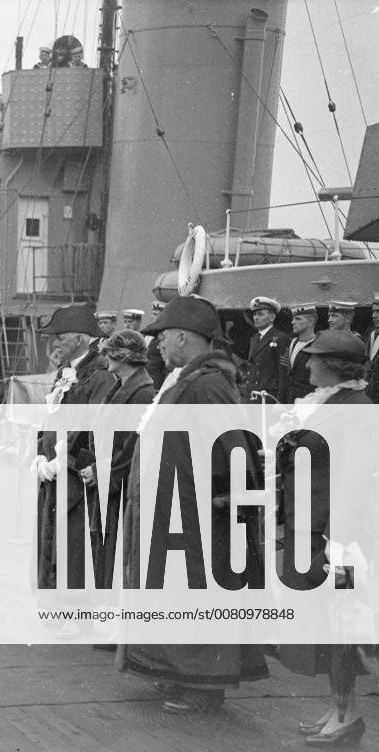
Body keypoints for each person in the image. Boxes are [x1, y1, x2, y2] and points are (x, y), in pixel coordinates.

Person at [118, 295, 268, 714]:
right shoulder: (189, 380)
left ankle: (204, 686)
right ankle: (180, 672)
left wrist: (229, 496)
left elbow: (233, 445)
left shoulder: (209, 383)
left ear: (183, 337)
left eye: (163, 337)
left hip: (197, 514)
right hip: (175, 508)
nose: (159, 345)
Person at [275, 330, 372, 747]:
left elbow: (355, 479)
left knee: (342, 623)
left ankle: (347, 715)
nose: (308, 364)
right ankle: (338, 709)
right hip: (311, 529)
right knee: (326, 623)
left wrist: (339, 541)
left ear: (334, 365)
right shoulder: (330, 402)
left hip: (338, 540)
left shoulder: (357, 408)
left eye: (314, 358)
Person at [34, 306, 117, 592]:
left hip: (75, 479)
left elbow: (92, 427)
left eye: (60, 337)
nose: (54, 344)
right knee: (51, 545)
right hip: (54, 477)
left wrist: (60, 460)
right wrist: (40, 452)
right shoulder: (66, 372)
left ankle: (72, 608)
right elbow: (50, 417)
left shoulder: (100, 376)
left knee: (74, 549)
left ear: (81, 339)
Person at [79, 329, 155, 589]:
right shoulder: (121, 387)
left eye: (111, 353)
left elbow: (132, 448)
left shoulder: (142, 394)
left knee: (116, 552)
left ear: (124, 356)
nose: (106, 358)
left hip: (120, 488)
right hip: (108, 485)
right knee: (105, 549)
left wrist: (100, 471)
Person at [242, 295, 290, 403]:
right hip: (253, 396)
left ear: (272, 317)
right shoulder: (254, 339)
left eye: (260, 314)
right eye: (255, 314)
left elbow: (283, 373)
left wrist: (280, 401)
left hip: (268, 398)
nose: (256, 317)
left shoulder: (281, 338)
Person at [277, 304, 317, 403]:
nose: (292, 322)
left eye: (298, 319)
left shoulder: (318, 345)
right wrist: (280, 401)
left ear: (310, 322)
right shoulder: (292, 343)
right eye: (293, 319)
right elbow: (284, 376)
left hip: (309, 403)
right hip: (290, 401)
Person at [145, 300, 167, 388]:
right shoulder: (148, 335)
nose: (151, 317)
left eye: (155, 314)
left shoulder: (165, 338)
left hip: (155, 384)